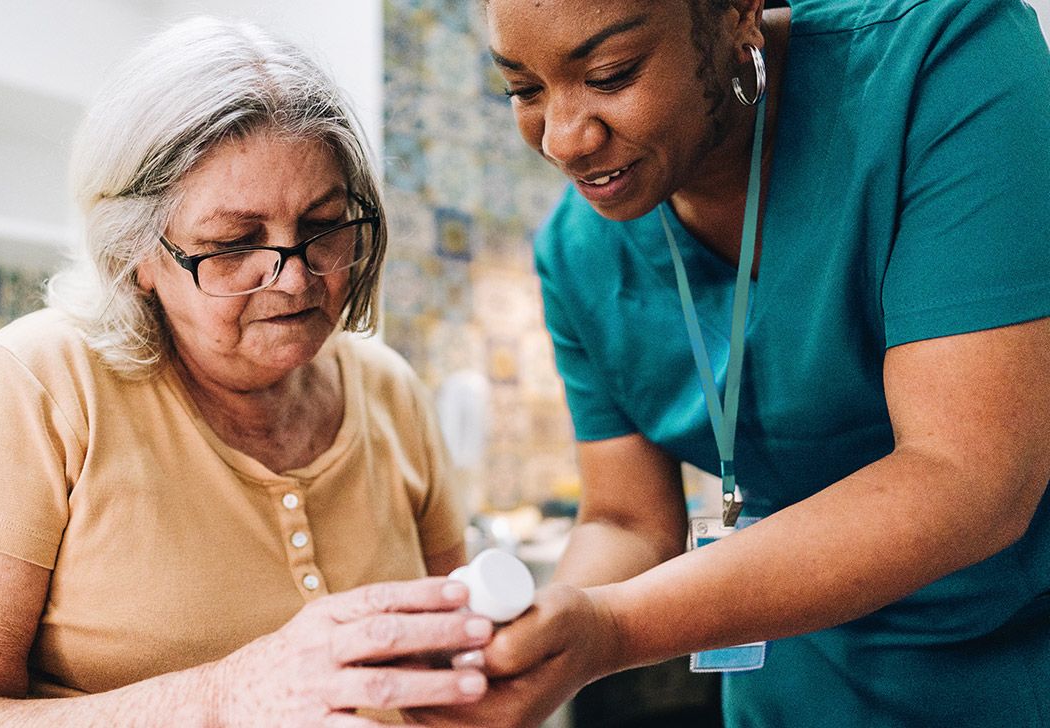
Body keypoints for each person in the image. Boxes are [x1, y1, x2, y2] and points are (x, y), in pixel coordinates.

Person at [414, 0, 1050, 726]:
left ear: (739, 14)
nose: (563, 139)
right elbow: (626, 520)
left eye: (611, 74)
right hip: (786, 681)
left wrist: (614, 629)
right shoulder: (576, 253)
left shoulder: (946, 61)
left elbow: (969, 477)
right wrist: (546, 627)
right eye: (524, 90)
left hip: (1009, 666)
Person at [0, 17, 495, 726]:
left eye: (324, 226)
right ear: (136, 254)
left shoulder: (390, 390)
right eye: (233, 242)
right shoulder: (43, 381)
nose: (292, 280)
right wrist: (224, 697)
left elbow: (454, 666)